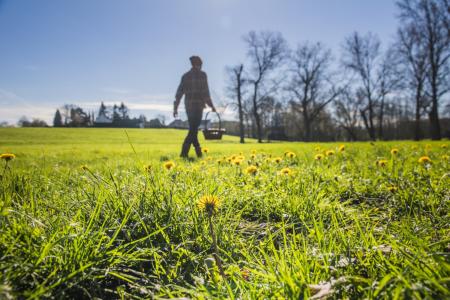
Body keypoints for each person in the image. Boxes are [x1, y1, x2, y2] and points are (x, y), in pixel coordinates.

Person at [174, 55, 216, 158]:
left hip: (188, 106)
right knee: (193, 129)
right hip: (198, 106)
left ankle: (198, 153)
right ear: (199, 64)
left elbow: (179, 94)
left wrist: (175, 108)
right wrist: (212, 106)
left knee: (193, 128)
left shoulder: (185, 76)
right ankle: (184, 153)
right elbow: (206, 93)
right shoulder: (202, 75)